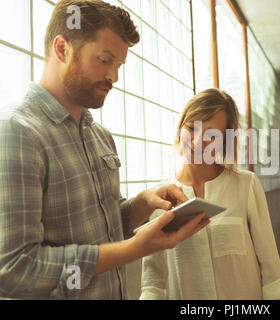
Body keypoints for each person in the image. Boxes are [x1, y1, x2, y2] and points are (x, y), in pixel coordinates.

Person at [0, 0, 209, 299]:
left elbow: (106, 228)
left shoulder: (101, 136)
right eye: (104, 59)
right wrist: (134, 249)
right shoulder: (16, 132)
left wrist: (143, 203)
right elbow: (13, 269)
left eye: (119, 65)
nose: (114, 77)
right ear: (62, 49)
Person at [140, 89, 280, 300]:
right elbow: (153, 283)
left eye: (211, 136)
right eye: (191, 128)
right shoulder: (160, 196)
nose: (196, 143)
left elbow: (272, 272)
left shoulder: (246, 185)